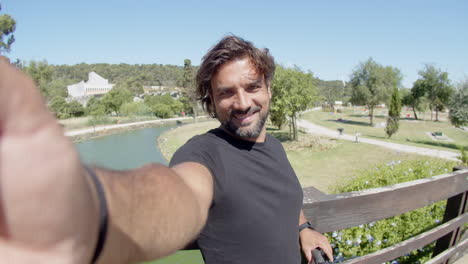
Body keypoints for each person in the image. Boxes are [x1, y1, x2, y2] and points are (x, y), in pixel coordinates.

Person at [0, 35, 332, 264]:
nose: (243, 102)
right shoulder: (203, 154)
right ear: (211, 102)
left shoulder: (273, 146)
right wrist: (82, 209)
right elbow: (178, 194)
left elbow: (283, 195)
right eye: (226, 93)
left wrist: (302, 228)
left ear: (269, 89)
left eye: (252, 87)